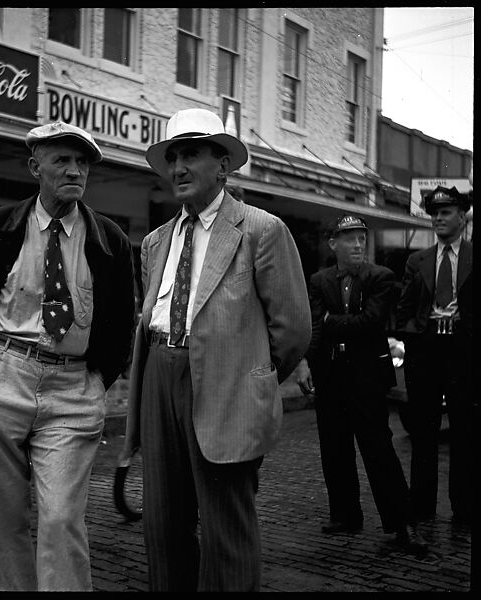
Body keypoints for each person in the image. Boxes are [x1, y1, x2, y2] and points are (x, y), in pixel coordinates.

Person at [0, 121, 136, 592]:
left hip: (72, 389)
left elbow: (120, 325)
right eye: (61, 160)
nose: (74, 170)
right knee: (3, 520)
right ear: (35, 168)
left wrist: (93, 382)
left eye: (82, 162)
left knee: (62, 519)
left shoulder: (108, 239)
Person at [119, 107, 311, 591]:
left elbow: (292, 329)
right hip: (159, 375)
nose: (178, 168)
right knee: (162, 524)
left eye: (191, 155)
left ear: (223, 165)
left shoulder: (262, 230)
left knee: (226, 528)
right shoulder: (157, 240)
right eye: (173, 157)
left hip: (226, 387)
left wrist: (250, 374)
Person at [295, 214, 428, 554]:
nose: (357, 244)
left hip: (366, 377)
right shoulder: (318, 279)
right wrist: (306, 361)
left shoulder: (380, 277)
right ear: (333, 244)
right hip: (331, 374)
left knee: (379, 449)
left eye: (361, 238)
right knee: (334, 448)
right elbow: (315, 326)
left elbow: (370, 323)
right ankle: (345, 515)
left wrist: (331, 320)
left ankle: (403, 525)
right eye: (349, 238)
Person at [396, 186, 473, 528]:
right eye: (434, 213)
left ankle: (465, 506)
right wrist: (413, 334)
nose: (439, 218)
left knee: (465, 430)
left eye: (446, 212)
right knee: (424, 429)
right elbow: (404, 308)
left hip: (464, 352)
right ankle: (422, 504)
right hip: (425, 351)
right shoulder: (418, 260)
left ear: (462, 216)